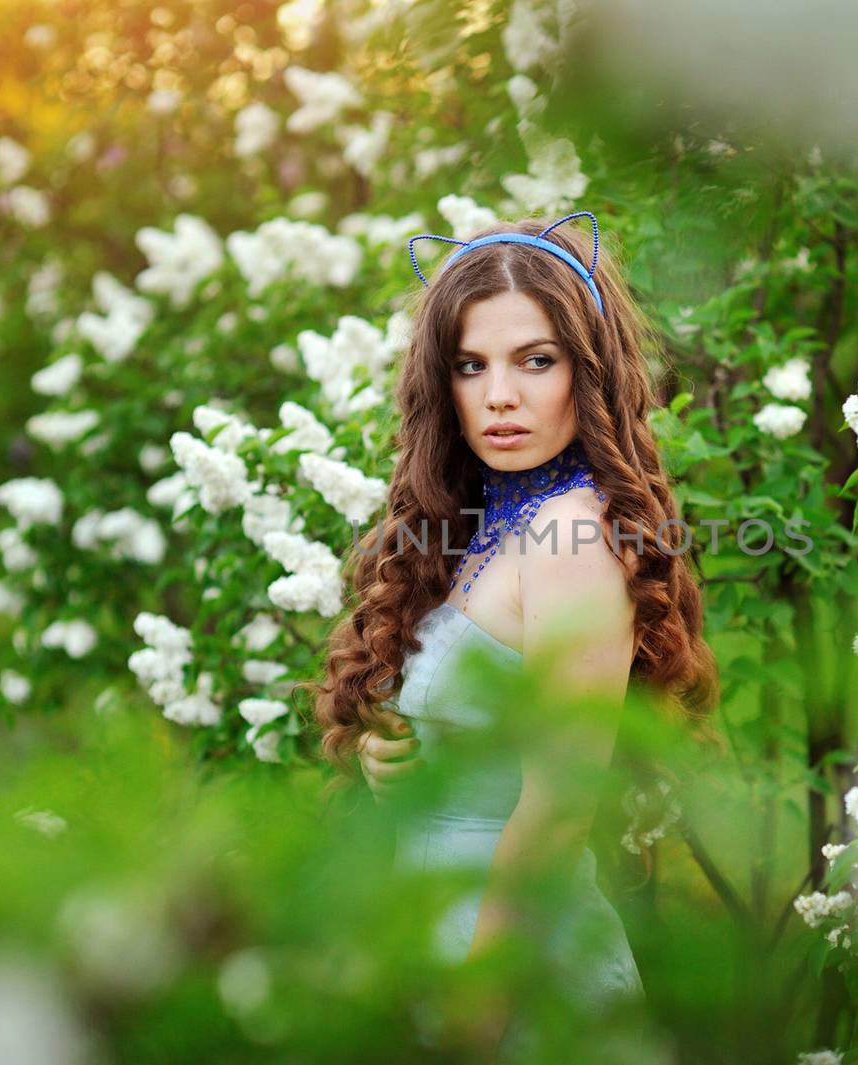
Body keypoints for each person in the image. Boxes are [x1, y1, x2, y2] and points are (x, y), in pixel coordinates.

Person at [306, 212, 720, 1061]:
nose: (500, 394)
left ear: (589, 371)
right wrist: (400, 760)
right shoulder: (484, 528)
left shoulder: (574, 537)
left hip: (516, 975)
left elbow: (557, 808)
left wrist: (473, 1017)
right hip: (439, 935)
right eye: (471, 364)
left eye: (537, 360)